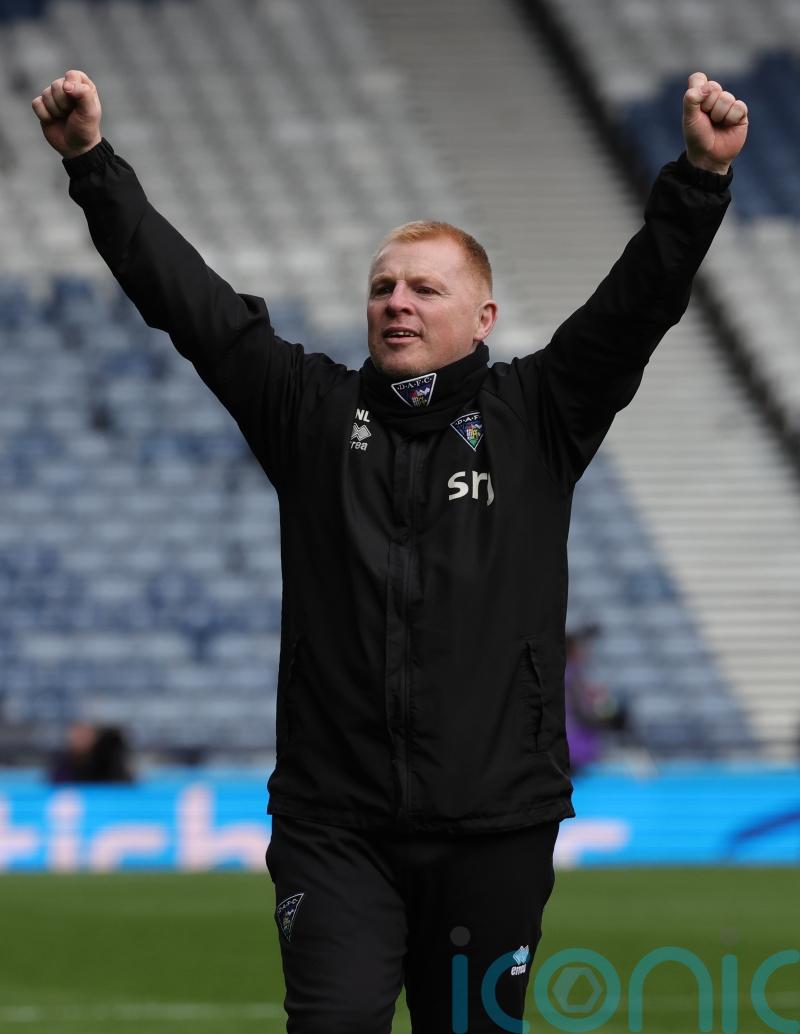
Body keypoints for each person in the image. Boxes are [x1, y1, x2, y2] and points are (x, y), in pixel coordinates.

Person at [32, 68, 748, 1032]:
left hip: (495, 825)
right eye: (381, 288)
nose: (396, 303)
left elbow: (639, 302)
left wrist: (699, 178)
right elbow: (191, 306)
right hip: (334, 825)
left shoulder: (541, 413)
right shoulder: (309, 411)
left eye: (423, 288)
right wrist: (91, 164)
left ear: (483, 319)